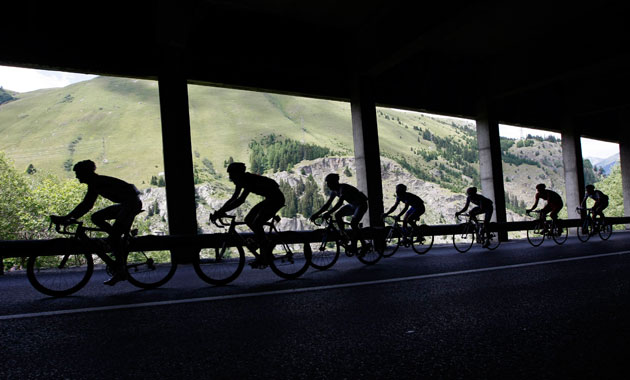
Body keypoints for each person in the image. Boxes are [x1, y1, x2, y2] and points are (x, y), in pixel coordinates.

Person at [59, 159, 142, 286]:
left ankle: (121, 270)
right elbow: (86, 205)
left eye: (78, 173)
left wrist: (67, 217)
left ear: (85, 173)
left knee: (114, 237)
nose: (76, 176)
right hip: (127, 203)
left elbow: (86, 205)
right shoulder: (96, 182)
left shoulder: (97, 183)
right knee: (96, 217)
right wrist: (68, 217)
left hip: (130, 204)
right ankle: (115, 239)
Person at [211, 162, 285, 268]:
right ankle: (263, 244)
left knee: (257, 223)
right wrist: (220, 211)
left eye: (232, 174)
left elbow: (240, 200)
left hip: (276, 199)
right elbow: (233, 198)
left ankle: (264, 251)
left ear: (238, 174)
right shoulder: (241, 181)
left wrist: (221, 212)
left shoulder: (248, 180)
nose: (230, 177)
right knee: (248, 219)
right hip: (270, 198)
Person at [309, 173, 368, 253]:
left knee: (354, 224)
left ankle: (363, 245)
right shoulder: (334, 191)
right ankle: (344, 235)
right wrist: (316, 214)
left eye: (329, 183)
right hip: (353, 205)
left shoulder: (343, 188)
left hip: (361, 204)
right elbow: (327, 205)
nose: (328, 185)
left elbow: (340, 203)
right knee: (337, 215)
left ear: (334, 182)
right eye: (327, 183)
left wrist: (328, 213)